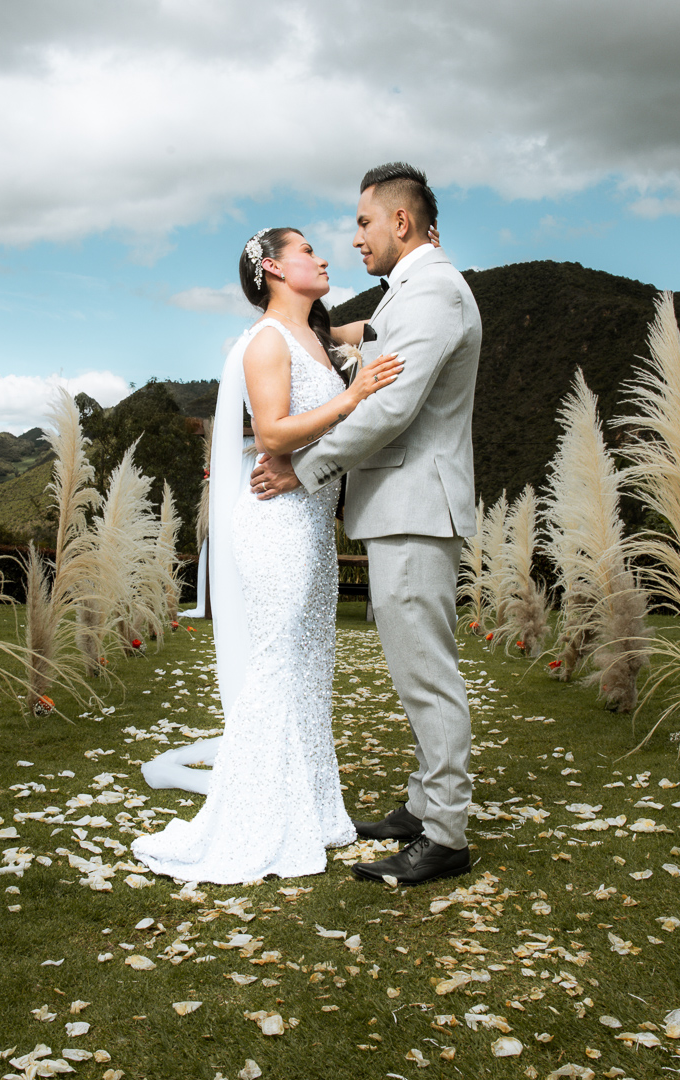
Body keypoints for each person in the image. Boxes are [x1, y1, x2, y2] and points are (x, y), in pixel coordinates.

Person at [131, 227, 403, 884]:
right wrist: (354, 395)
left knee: (311, 668)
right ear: (274, 268)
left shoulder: (318, 335)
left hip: (311, 524)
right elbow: (273, 433)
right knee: (278, 665)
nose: (325, 256)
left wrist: (415, 276)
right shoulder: (266, 341)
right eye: (308, 250)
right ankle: (253, 823)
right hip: (275, 522)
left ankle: (307, 809)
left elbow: (385, 323)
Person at [250, 162, 481, 887]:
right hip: (401, 507)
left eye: (362, 222)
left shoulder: (434, 291)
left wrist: (303, 467)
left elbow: (391, 409)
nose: (354, 238)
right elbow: (367, 339)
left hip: (416, 507)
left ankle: (444, 835)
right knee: (414, 669)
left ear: (400, 222)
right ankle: (422, 806)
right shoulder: (407, 294)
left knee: (426, 675)